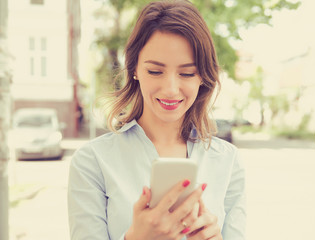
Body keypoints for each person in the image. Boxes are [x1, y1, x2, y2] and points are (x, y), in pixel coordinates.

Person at [67, 0, 246, 239]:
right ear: (135, 69)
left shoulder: (228, 161)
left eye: (187, 73)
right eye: (155, 71)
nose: (171, 89)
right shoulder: (93, 162)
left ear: (202, 76)